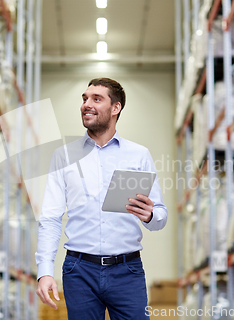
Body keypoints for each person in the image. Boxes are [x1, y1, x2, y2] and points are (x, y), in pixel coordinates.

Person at [35, 78, 168, 320]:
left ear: (115, 108)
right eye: (85, 99)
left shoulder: (138, 155)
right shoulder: (64, 155)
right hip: (79, 270)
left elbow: (160, 216)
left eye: (97, 99)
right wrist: (44, 271)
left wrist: (150, 215)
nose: (87, 104)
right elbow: (50, 218)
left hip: (127, 270)